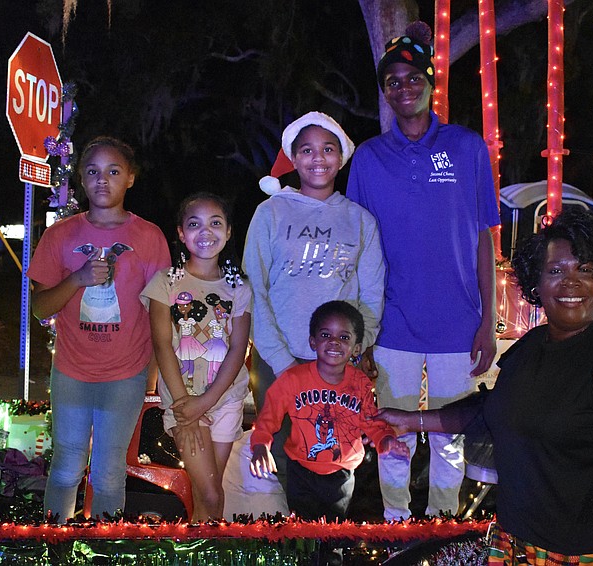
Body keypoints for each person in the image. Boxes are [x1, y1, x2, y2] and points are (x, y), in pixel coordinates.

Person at [377, 208, 593, 564]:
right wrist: (410, 421)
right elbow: (492, 412)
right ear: (536, 284)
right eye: (556, 271)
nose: (571, 282)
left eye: (586, 269)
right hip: (519, 546)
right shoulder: (531, 346)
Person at [346, 21, 500, 521]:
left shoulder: (467, 147)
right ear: (385, 91)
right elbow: (359, 249)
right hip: (391, 324)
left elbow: (483, 238)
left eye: (414, 78)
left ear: (431, 84)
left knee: (449, 438)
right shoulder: (368, 158)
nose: (404, 88)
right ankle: (396, 528)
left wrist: (488, 321)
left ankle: (442, 527)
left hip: (459, 324)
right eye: (393, 81)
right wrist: (362, 334)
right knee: (394, 433)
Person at [28, 136, 171, 522]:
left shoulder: (149, 237)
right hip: (71, 372)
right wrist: (77, 279)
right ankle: (56, 544)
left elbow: (160, 313)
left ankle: (104, 546)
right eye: (92, 171)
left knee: (109, 471)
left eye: (113, 171)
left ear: (130, 178)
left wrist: (153, 373)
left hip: (126, 375)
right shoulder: (60, 235)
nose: (102, 180)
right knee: (65, 466)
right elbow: (40, 307)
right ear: (81, 178)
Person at [243, 112, 385, 487]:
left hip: (336, 362)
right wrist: (281, 360)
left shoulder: (361, 221)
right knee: (274, 456)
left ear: (342, 157)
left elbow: (371, 295)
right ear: (293, 157)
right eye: (306, 150)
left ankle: (327, 526)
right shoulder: (269, 213)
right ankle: (275, 524)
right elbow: (255, 288)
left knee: (332, 458)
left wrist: (357, 347)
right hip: (278, 358)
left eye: (327, 149)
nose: (317, 158)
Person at [141, 192, 251, 521]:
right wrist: (186, 407)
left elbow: (238, 348)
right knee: (210, 493)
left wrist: (206, 402)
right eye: (194, 224)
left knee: (209, 496)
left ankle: (200, 546)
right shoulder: (165, 282)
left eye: (215, 223)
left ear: (228, 231)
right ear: (181, 233)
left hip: (225, 399)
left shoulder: (239, 286)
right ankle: (203, 546)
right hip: (183, 400)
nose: (206, 231)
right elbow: (162, 345)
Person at [249, 300, 408, 521]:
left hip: (342, 473)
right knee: (302, 530)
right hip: (300, 471)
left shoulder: (360, 383)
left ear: (357, 348)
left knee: (334, 531)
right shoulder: (293, 380)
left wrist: (386, 439)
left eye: (344, 337)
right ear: (312, 342)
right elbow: (268, 417)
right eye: (326, 335)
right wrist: (260, 445)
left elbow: (372, 422)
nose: (334, 342)